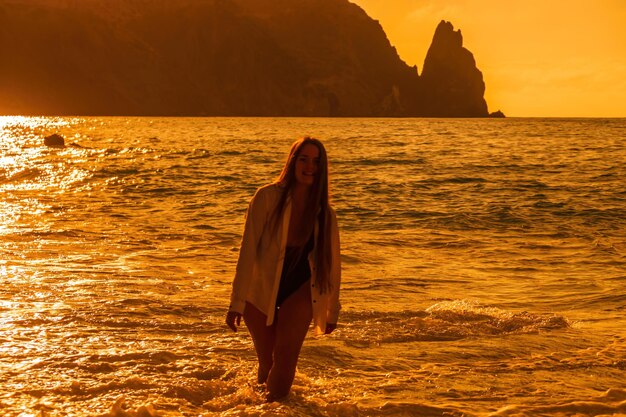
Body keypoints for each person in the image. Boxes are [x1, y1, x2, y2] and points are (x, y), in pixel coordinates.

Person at [225, 136, 341, 401]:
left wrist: (332, 310)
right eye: (304, 159)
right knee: (267, 362)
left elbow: (332, 266)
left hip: (300, 288)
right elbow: (247, 251)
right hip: (260, 287)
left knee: (286, 359)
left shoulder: (325, 213)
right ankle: (260, 407)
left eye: (316, 161)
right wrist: (236, 302)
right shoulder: (267, 197)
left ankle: (275, 408)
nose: (309, 166)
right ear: (292, 161)